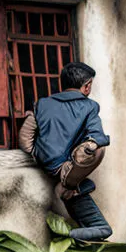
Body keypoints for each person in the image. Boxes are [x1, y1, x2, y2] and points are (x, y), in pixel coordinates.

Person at [20, 61, 112, 242]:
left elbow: (25, 140)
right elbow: (96, 135)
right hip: (67, 170)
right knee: (97, 149)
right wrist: (95, 144)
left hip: (46, 164)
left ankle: (74, 186)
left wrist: (36, 153)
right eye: (90, 85)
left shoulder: (43, 104)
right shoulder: (89, 106)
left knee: (85, 188)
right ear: (86, 86)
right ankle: (63, 236)